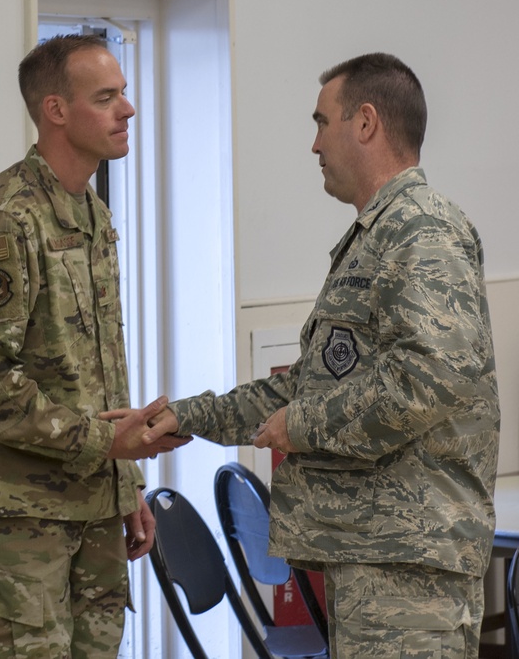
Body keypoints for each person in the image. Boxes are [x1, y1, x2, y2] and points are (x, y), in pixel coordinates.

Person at [145, 53, 499, 658]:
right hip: (373, 561)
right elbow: (308, 388)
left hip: (409, 571)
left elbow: (429, 377)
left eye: (320, 122)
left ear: (365, 123)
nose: (313, 144)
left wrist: (302, 427)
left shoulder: (422, 230)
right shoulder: (378, 236)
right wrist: (186, 416)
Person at [0, 34, 188, 659]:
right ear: (55, 110)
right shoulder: (3, 218)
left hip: (94, 510)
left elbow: (99, 370)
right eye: (106, 97)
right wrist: (108, 443)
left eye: (124, 94)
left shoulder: (93, 215)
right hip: (17, 523)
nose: (127, 110)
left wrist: (123, 482)